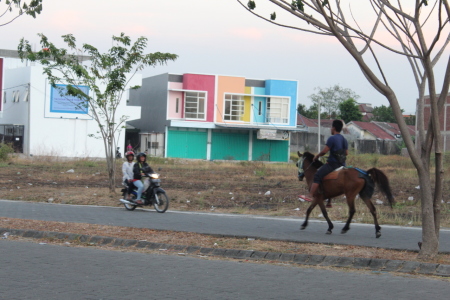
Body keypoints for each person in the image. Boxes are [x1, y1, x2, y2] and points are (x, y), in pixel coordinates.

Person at [299, 119, 348, 204]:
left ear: (334, 128)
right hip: (342, 164)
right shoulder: (344, 139)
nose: (330, 129)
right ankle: (329, 201)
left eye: (331, 127)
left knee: (317, 175)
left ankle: (310, 195)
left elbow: (324, 151)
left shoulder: (332, 138)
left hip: (332, 164)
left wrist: (317, 156)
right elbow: (346, 153)